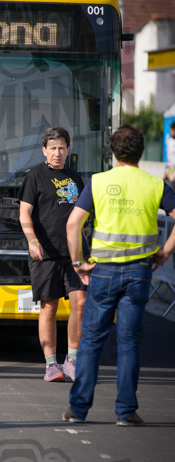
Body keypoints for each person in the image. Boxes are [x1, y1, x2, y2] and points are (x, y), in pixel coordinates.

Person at [64, 124, 175, 426]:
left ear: (113, 152)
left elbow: (73, 224)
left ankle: (79, 409)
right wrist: (164, 251)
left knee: (91, 341)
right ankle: (126, 411)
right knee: (129, 343)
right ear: (140, 152)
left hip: (103, 271)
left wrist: (78, 263)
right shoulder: (155, 185)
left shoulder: (98, 182)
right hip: (139, 272)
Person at [18, 126, 87, 382]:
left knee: (79, 304)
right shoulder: (35, 176)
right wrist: (32, 240)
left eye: (61, 148)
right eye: (52, 148)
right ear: (44, 150)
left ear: (68, 150)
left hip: (75, 251)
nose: (57, 153)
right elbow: (24, 212)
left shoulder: (74, 177)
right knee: (49, 307)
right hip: (45, 252)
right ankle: (50, 365)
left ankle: (72, 360)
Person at [164, 121, 175, 189]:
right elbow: (168, 159)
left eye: (173, 130)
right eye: (171, 130)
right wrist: (165, 172)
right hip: (169, 170)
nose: (171, 132)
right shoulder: (169, 141)